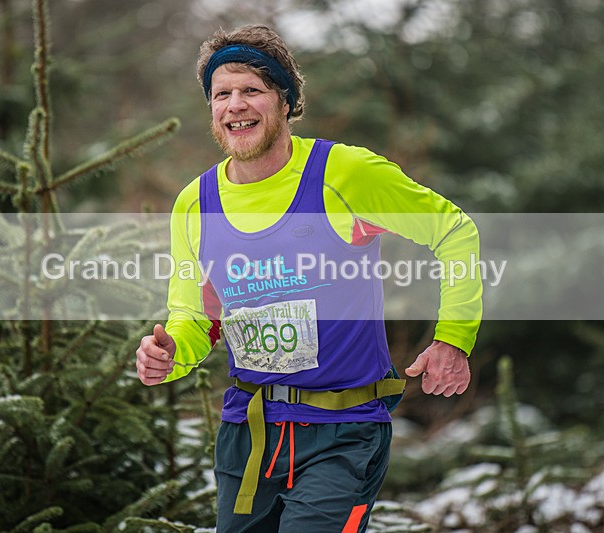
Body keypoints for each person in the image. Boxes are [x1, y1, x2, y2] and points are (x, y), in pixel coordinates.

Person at [136, 24, 482, 532]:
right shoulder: (195, 204)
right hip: (248, 434)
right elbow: (197, 317)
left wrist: (453, 337)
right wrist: (168, 355)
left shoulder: (342, 174)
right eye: (221, 94)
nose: (235, 104)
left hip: (342, 433)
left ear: (285, 102)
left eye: (252, 90)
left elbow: (453, 231)